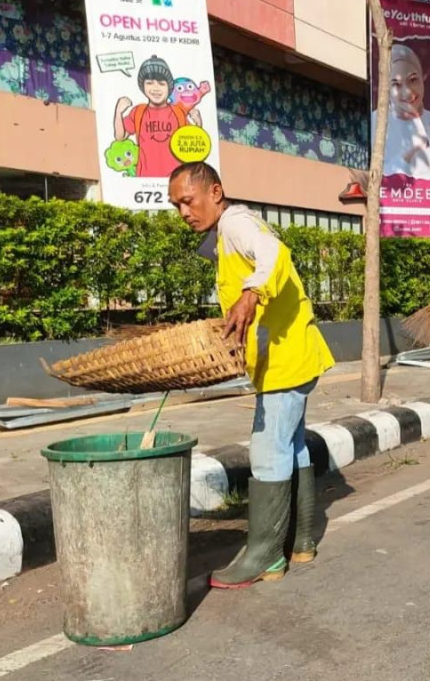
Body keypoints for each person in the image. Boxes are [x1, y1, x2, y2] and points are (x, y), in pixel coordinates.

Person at [168, 162, 335, 589]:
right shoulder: (225, 234)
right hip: (289, 354)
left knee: (267, 451)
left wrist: (250, 293)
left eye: (188, 200)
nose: (184, 211)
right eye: (176, 205)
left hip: (285, 358)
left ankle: (264, 557)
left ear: (215, 192)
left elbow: (275, 254)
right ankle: (300, 540)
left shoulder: (237, 222)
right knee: (291, 446)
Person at [114, 55, 203, 178]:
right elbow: (120, 137)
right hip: (145, 181)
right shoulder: (138, 111)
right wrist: (118, 112)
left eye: (161, 83)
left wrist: (198, 123)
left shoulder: (178, 112)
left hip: (176, 180)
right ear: (143, 86)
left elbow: (192, 145)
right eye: (149, 83)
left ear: (169, 87)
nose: (156, 88)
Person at [370, 44, 430, 180]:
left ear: (422, 79)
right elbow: (380, 178)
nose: (408, 92)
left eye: (413, 80)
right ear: (387, 89)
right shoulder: (376, 122)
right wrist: (411, 151)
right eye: (396, 84)